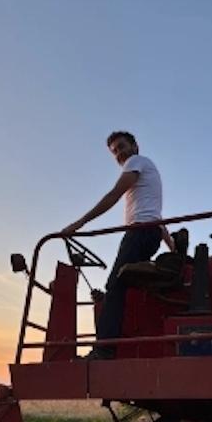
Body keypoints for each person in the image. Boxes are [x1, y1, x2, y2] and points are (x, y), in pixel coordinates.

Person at [61, 131, 166, 359]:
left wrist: (79, 223)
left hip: (139, 233)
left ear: (135, 146)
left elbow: (113, 195)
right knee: (126, 284)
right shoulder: (146, 171)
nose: (119, 153)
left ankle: (105, 349)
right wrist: (172, 246)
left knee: (114, 287)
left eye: (122, 147)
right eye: (115, 151)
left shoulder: (136, 162)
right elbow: (158, 220)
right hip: (149, 233)